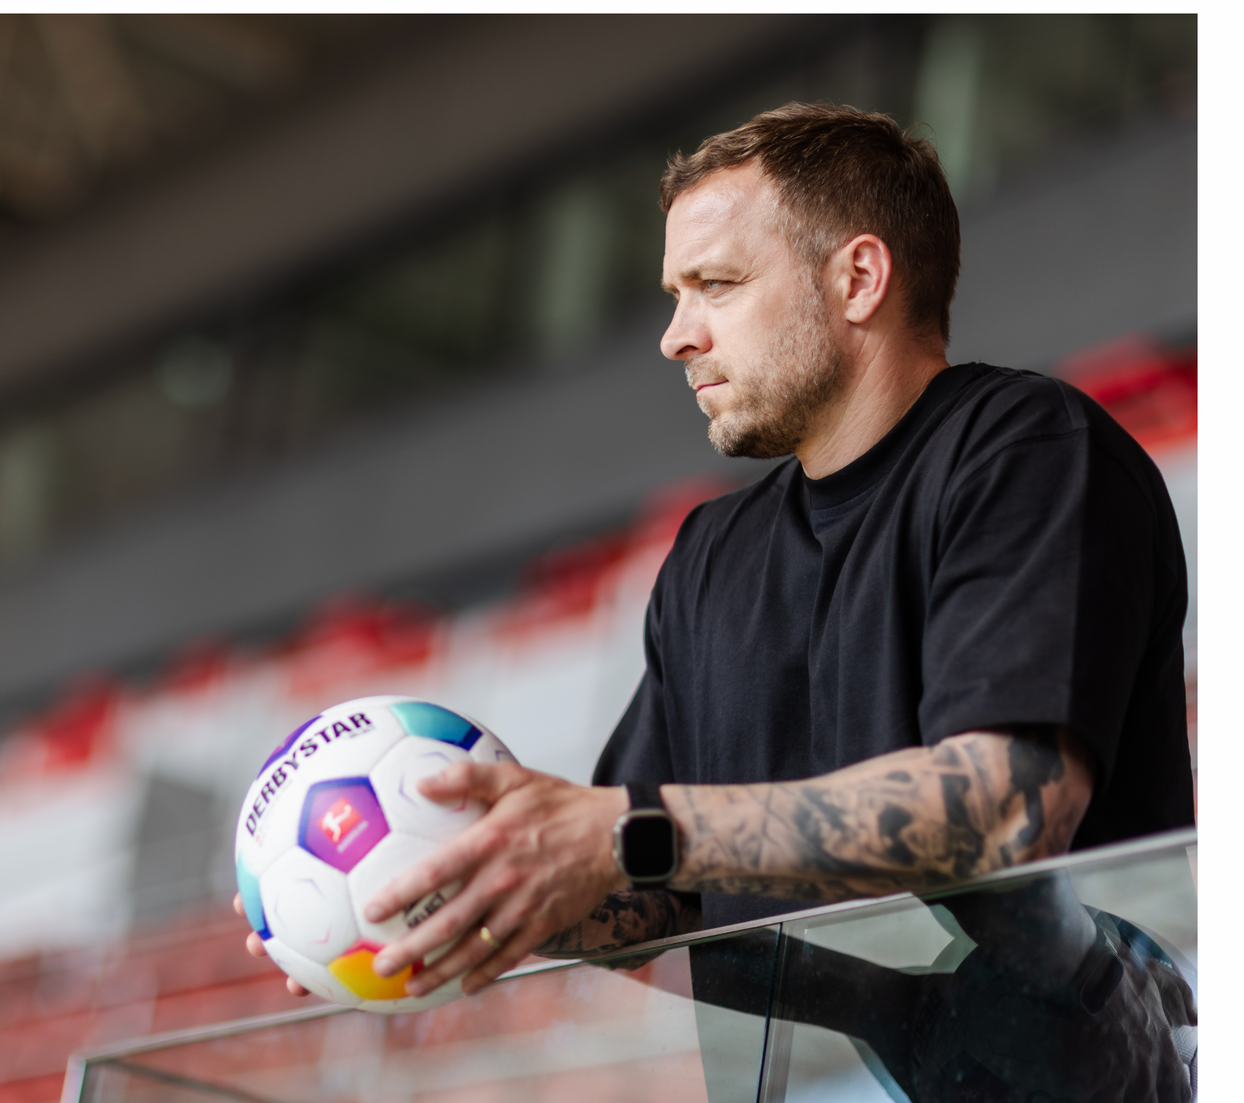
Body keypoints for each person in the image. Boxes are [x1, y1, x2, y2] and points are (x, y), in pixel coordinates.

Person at [239, 101, 1194, 1014]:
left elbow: (1009, 809)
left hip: (1112, 1102)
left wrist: (629, 832)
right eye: (675, 296)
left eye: (718, 285)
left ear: (859, 279)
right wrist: (461, 885)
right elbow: (651, 901)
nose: (675, 338)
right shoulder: (710, 556)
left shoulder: (1028, 451)